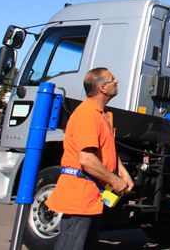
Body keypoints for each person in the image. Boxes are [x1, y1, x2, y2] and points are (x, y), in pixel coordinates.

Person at [46, 67, 134, 250]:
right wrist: (114, 180)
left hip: (91, 194)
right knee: (71, 246)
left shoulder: (101, 115)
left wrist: (122, 173)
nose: (116, 82)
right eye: (112, 79)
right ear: (102, 88)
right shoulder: (87, 115)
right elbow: (86, 159)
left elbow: (107, 149)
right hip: (80, 195)